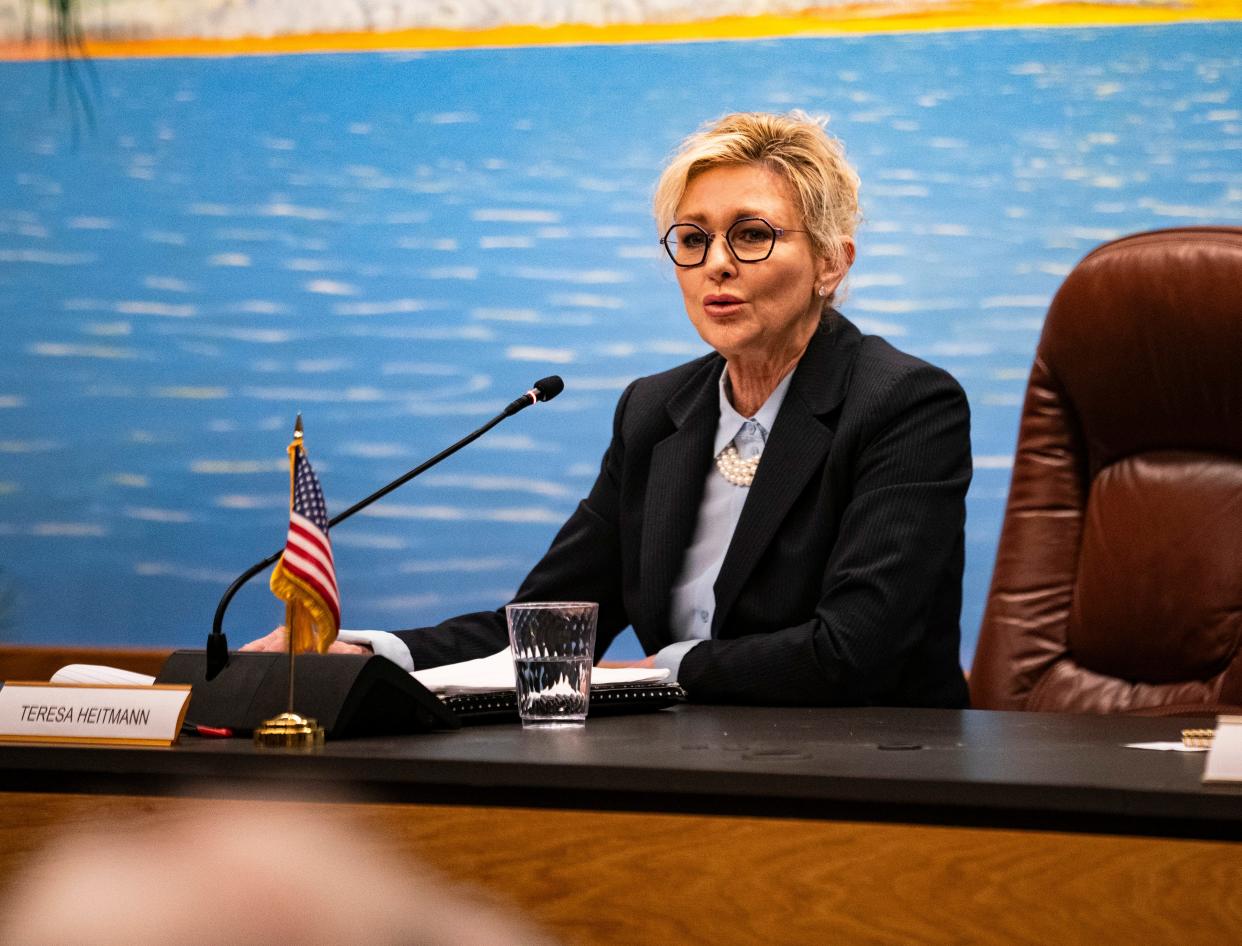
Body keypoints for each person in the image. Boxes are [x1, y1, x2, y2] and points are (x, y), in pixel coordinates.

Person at [247, 111, 971, 707]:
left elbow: (855, 651)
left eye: (751, 235)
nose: (716, 263)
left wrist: (660, 674)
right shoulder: (656, 412)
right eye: (693, 239)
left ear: (831, 263)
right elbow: (547, 629)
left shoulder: (904, 406)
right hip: (690, 763)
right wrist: (365, 652)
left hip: (873, 775)